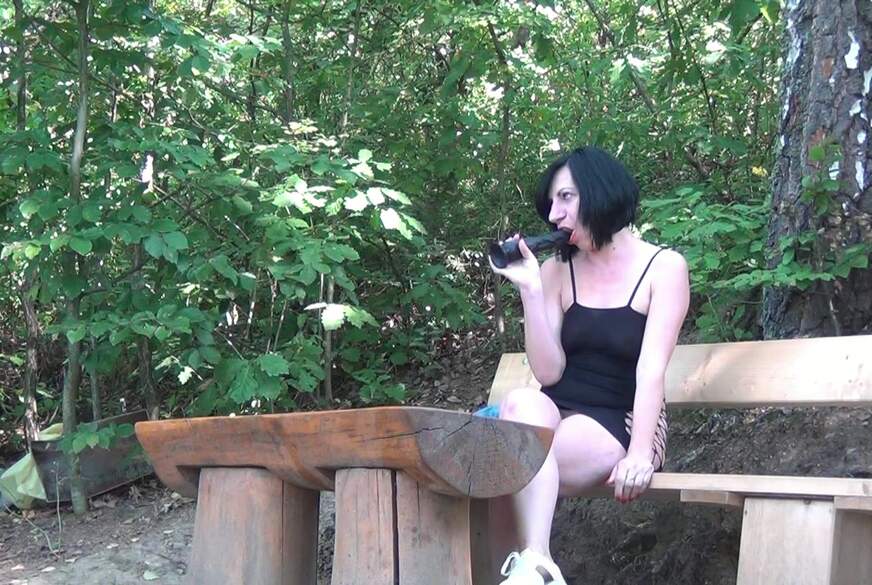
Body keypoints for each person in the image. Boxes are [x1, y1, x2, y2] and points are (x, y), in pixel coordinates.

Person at [488, 146, 690, 585]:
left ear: (599, 193)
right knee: (520, 404)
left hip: (622, 417)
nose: (554, 215)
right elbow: (549, 373)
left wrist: (640, 453)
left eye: (566, 198)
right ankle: (537, 563)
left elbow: (651, 370)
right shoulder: (556, 270)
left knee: (516, 463)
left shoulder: (664, 268)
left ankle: (527, 567)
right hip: (557, 407)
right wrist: (530, 291)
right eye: (551, 203)